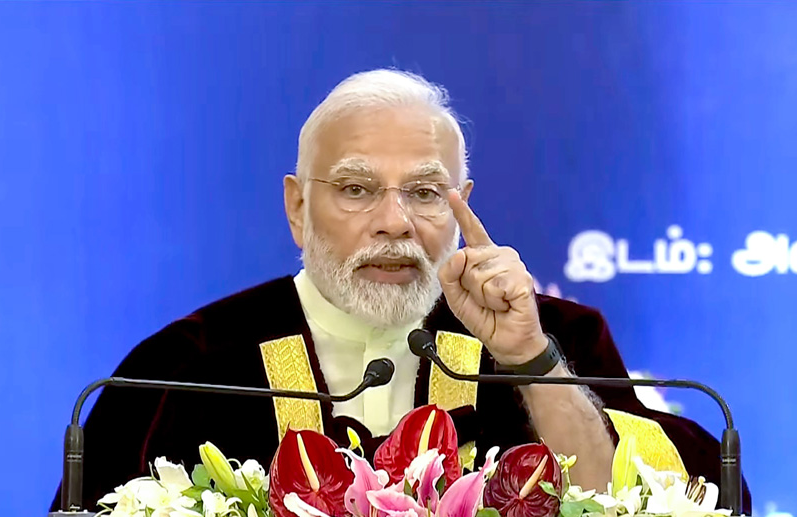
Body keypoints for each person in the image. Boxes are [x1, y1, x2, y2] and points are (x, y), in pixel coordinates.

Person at [52, 69, 750, 512]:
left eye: (424, 192)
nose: (394, 222)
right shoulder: (190, 364)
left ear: (462, 203)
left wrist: (531, 359)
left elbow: (657, 499)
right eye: (356, 190)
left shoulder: (555, 338)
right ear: (297, 207)